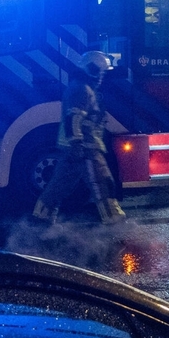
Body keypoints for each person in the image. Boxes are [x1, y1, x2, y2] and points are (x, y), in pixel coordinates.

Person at [32, 51, 126, 225]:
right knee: (103, 184)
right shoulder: (82, 90)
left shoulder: (80, 87)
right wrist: (77, 144)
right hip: (86, 148)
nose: (102, 77)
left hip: (75, 149)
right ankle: (115, 224)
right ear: (92, 70)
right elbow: (73, 118)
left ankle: (41, 220)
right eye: (101, 72)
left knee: (59, 186)